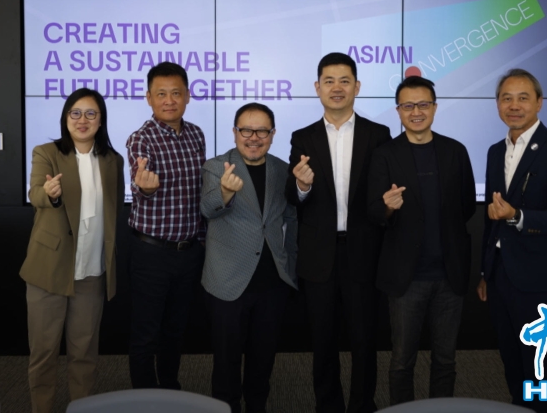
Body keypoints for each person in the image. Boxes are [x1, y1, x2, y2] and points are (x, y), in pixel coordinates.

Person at [286, 52, 391, 413]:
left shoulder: (379, 135)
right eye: (329, 81)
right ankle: (327, 406)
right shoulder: (303, 137)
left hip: (363, 252)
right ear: (317, 88)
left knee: (365, 341)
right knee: (322, 341)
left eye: (344, 80)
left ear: (357, 87)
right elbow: (292, 197)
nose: (337, 88)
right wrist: (301, 186)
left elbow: (382, 196)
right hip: (319, 256)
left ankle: (363, 405)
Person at [477, 69, 547, 413]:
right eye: (506, 98)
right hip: (500, 274)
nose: (514, 105)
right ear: (497, 104)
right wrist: (485, 271)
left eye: (523, 98)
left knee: (540, 365)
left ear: (539, 103)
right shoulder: (495, 151)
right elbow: (491, 218)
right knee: (510, 359)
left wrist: (517, 216)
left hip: (537, 278)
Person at [368, 76, 475, 404]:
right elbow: (374, 212)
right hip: (406, 278)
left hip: (449, 275)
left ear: (435, 107)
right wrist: (388, 207)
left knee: (446, 359)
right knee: (402, 360)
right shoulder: (385, 154)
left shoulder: (455, 151)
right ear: (398, 111)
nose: (416, 112)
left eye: (423, 104)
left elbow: (467, 206)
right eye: (408, 106)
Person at [21, 88, 125, 413]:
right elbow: (36, 193)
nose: (83, 120)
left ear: (101, 120)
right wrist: (50, 194)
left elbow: (115, 210)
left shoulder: (113, 160)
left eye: (91, 113)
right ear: (66, 118)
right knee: (44, 353)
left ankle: (82, 408)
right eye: (75, 113)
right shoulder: (47, 152)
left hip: (92, 272)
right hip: (49, 270)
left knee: (84, 354)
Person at [201, 102, 298, 413]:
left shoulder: (282, 169)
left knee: (263, 361)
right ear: (234, 132)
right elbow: (207, 209)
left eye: (262, 131)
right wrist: (225, 192)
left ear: (272, 134)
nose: (253, 137)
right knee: (226, 363)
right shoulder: (216, 167)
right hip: (227, 283)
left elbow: (290, 218)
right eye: (246, 130)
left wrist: (291, 267)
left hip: (272, 283)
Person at [126, 62, 206, 389]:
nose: (169, 100)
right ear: (149, 98)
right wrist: (145, 187)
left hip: (188, 251)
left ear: (187, 95)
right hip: (152, 254)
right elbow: (141, 184)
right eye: (161, 94)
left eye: (176, 93)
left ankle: (171, 390)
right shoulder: (141, 139)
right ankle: (145, 400)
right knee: (146, 334)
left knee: (176, 330)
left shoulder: (196, 134)